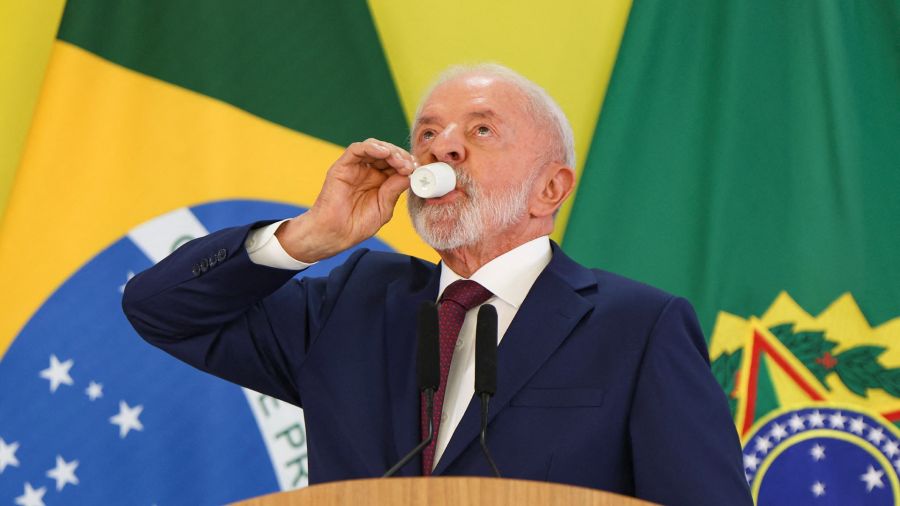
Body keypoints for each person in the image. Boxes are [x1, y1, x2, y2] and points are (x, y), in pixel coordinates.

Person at [122, 64, 752, 505]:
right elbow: (159, 309)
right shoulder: (354, 301)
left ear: (550, 189)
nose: (441, 150)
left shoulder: (639, 327)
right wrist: (309, 237)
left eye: (480, 130)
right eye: (427, 133)